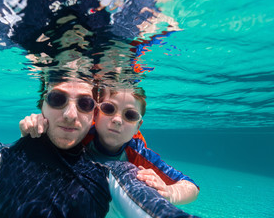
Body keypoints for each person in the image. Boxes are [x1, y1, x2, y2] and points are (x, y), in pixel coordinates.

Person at [0, 78, 197, 218]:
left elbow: (164, 204)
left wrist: (171, 192)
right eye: (58, 99)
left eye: (84, 103)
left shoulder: (122, 167)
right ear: (41, 106)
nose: (71, 115)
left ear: (91, 114)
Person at [19, 86, 199, 205]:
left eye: (130, 115)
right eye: (109, 109)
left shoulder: (139, 153)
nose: (118, 120)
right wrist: (35, 127)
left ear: (138, 125)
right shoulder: (81, 134)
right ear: (96, 113)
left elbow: (191, 186)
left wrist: (170, 192)